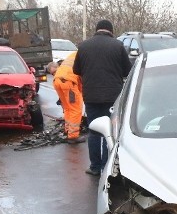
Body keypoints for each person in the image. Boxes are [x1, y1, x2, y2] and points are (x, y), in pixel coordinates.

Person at [72, 19, 132, 175]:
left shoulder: (83, 46)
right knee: (110, 131)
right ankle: (107, 166)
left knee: (94, 131)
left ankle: (94, 167)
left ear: (96, 30)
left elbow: (76, 70)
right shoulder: (118, 46)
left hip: (91, 95)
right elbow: (127, 71)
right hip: (113, 96)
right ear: (111, 31)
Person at [47, 53, 85, 143]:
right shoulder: (84, 56)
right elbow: (81, 77)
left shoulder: (73, 56)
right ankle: (73, 136)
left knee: (68, 108)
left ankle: (67, 130)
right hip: (68, 82)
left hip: (57, 81)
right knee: (76, 109)